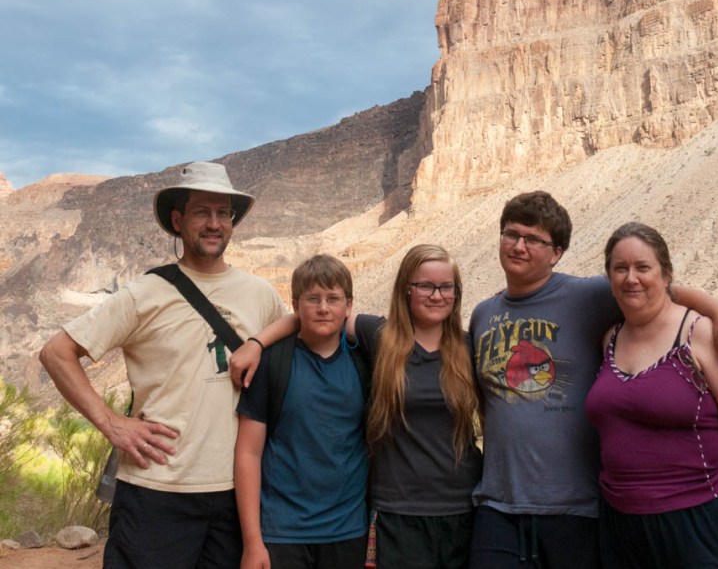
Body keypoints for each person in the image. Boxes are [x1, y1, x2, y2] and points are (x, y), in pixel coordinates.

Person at [467, 191, 718, 569]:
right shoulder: (483, 314)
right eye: (511, 234)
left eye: (534, 239)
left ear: (556, 253)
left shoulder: (588, 295)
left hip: (577, 509)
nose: (519, 246)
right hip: (497, 508)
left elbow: (654, 289)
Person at [38, 161, 286, 568]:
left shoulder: (261, 294)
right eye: (202, 212)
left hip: (236, 495)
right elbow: (56, 353)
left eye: (223, 213)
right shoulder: (143, 294)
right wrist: (111, 423)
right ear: (177, 220)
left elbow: (298, 328)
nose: (214, 224)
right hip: (155, 491)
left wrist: (258, 342)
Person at [231, 244, 483, 568]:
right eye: (425, 285)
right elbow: (315, 317)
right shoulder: (380, 338)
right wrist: (256, 343)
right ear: (407, 289)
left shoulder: (470, 346)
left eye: (446, 286)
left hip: (450, 509)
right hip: (381, 515)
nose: (436, 295)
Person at [584, 222, 718, 568]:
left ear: (666, 275)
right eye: (620, 268)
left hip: (704, 521)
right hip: (621, 526)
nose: (631, 278)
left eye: (643, 267)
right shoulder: (610, 338)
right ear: (609, 278)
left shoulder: (702, 334)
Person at [234, 254, 370, 569]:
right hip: (283, 534)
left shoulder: (364, 361)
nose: (323, 308)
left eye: (333, 299)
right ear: (296, 305)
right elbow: (248, 453)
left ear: (348, 305)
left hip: (349, 531)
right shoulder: (271, 363)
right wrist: (252, 543)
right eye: (313, 299)